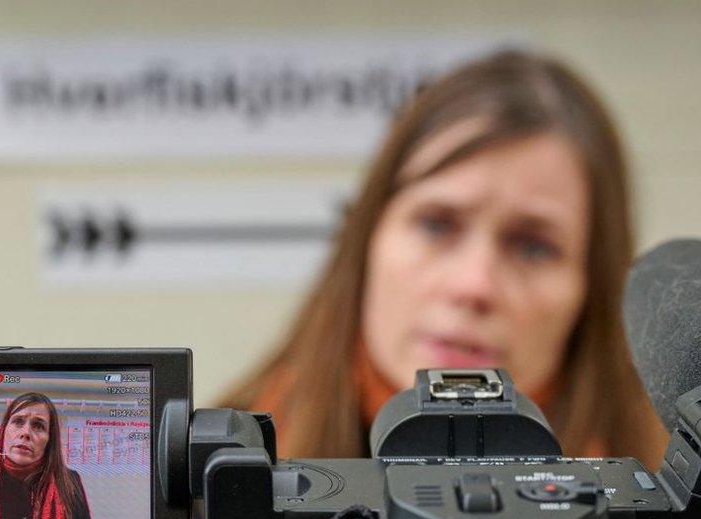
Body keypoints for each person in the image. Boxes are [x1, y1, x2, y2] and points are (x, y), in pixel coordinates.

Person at [220, 49, 669, 469]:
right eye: (436, 225)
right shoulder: (203, 486)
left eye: (533, 247)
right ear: (366, 241)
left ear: (593, 289)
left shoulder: (670, 505)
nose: (473, 285)